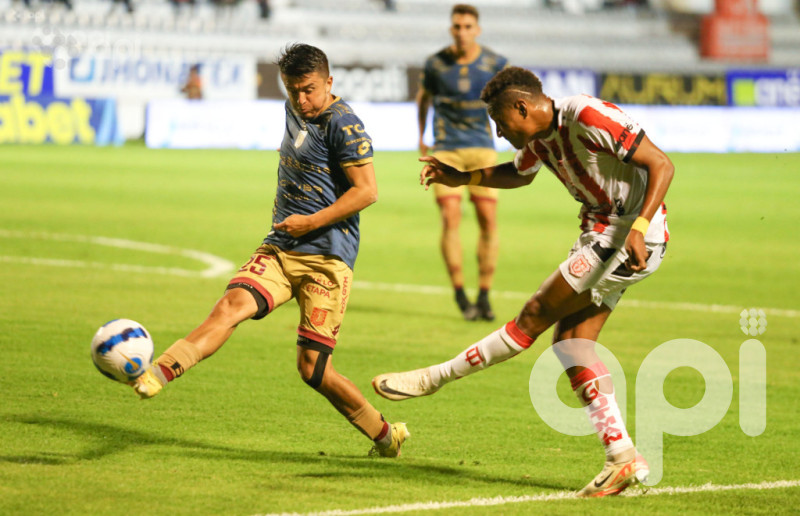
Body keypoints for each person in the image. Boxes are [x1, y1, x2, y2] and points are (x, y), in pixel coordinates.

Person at [374, 67, 674, 496]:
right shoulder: (538, 138)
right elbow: (521, 173)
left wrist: (640, 226)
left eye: (500, 121)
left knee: (534, 314)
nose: (498, 132)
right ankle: (622, 457)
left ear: (522, 106)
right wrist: (465, 178)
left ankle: (432, 379)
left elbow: (661, 163)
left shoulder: (586, 116)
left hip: (627, 235)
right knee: (572, 344)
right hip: (603, 234)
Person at [133, 43, 409, 458]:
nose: (301, 99)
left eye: (310, 90)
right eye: (293, 89)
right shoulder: (295, 106)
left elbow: (367, 191)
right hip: (282, 247)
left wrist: (311, 220)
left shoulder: (345, 125)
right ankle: (160, 372)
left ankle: (386, 435)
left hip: (327, 260)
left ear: (329, 82)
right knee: (230, 306)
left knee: (313, 370)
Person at [417, 4, 508, 321]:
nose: (462, 31)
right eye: (457, 26)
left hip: (482, 150)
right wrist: (421, 136)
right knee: (451, 218)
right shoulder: (436, 64)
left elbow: (507, 103)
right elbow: (423, 98)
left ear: (477, 29)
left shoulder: (495, 64)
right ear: (451, 29)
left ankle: (484, 295)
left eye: (468, 26)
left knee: (487, 220)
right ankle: (460, 294)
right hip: (447, 151)